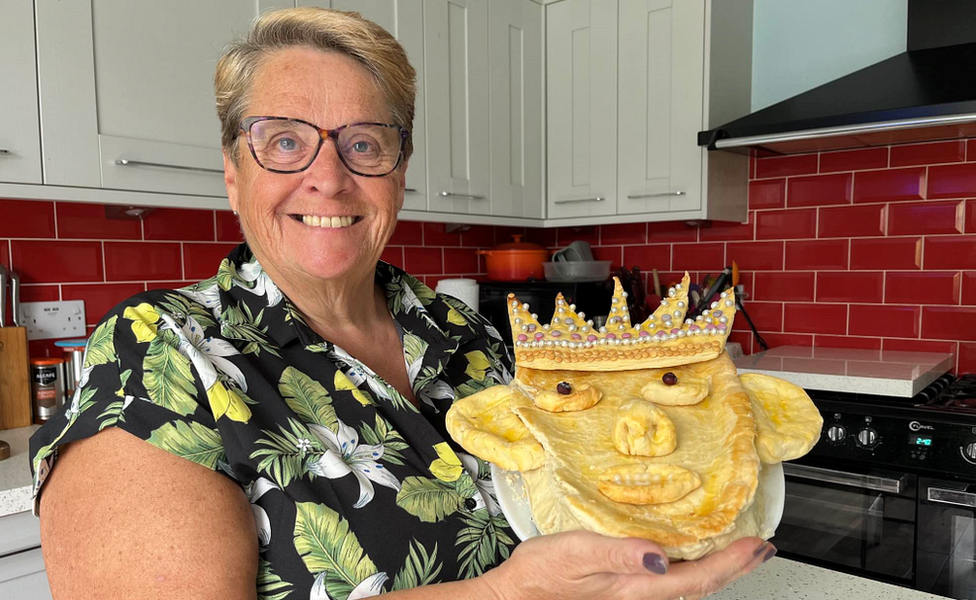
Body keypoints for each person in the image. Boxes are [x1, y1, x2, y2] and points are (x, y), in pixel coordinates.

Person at [29, 8, 774, 600]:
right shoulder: (159, 353)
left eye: (364, 142)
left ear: (400, 170)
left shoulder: (467, 335)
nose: (328, 176)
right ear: (232, 172)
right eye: (283, 142)